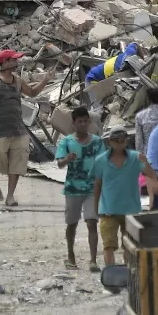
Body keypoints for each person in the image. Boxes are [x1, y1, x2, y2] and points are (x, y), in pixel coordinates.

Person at [0, 50, 55, 207]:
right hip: (0, 130)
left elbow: (32, 92)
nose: (17, 63)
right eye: (14, 60)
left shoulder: (18, 81)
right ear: (5, 62)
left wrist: (45, 80)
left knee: (18, 162)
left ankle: (10, 196)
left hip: (18, 129)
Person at [55, 106, 105, 271]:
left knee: (92, 222)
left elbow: (103, 163)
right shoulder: (66, 142)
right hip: (73, 189)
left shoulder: (97, 142)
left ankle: (93, 260)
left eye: (85, 121)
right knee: (72, 224)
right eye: (80, 121)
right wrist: (67, 159)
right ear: (74, 124)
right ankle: (70, 256)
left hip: (92, 189)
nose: (83, 124)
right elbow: (59, 164)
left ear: (89, 122)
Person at [92, 125, 144, 265]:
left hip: (131, 211)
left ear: (126, 141)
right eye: (116, 141)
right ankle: (111, 275)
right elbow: (97, 184)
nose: (119, 144)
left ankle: (130, 274)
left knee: (130, 245)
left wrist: (146, 162)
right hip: (108, 211)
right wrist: (95, 207)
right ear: (110, 142)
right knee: (108, 245)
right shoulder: (101, 161)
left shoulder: (136, 158)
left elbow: (150, 175)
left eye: (122, 140)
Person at [133, 86, 158, 163]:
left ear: (149, 99)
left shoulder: (140, 116)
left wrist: (140, 159)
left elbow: (139, 141)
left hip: (148, 156)